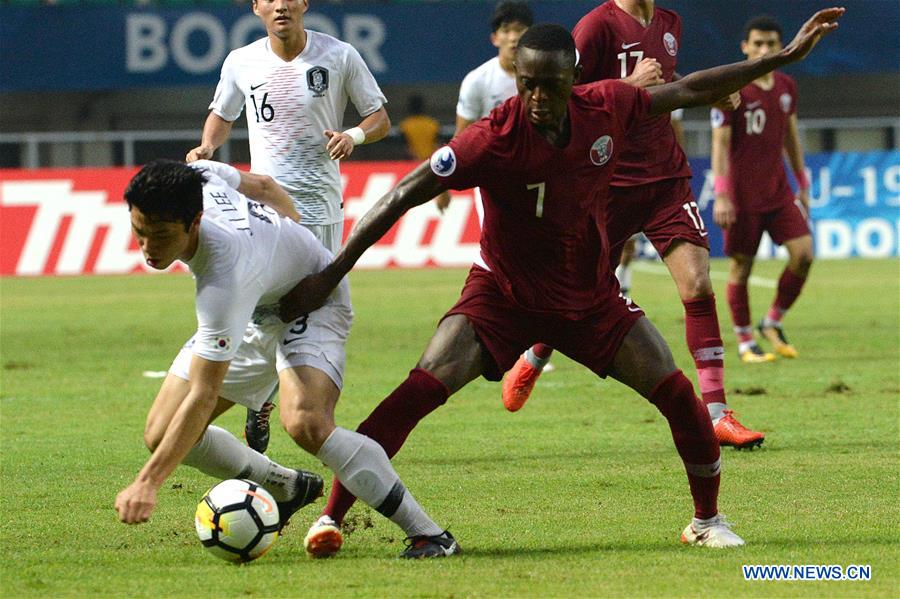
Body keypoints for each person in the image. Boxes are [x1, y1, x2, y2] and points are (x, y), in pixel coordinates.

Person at [282, 12, 844, 556]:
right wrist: (333, 271)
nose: (537, 98)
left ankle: (707, 521)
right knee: (417, 390)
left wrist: (789, 56)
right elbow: (405, 192)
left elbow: (692, 87)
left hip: (590, 300)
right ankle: (333, 516)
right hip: (501, 297)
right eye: (527, 85)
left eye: (549, 85)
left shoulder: (608, 105)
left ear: (575, 78)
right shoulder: (492, 136)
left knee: (677, 393)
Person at [114, 160, 458, 560]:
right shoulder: (202, 175)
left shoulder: (223, 278)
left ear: (194, 222)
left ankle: (430, 535)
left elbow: (204, 394)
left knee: (305, 422)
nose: (147, 246)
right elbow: (263, 185)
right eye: (139, 231)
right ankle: (287, 486)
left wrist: (148, 483)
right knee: (162, 433)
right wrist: (288, 236)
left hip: (311, 303)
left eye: (160, 235)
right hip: (256, 307)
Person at [504, 0, 766, 451]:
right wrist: (626, 85)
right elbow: (565, 101)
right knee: (576, 294)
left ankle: (717, 414)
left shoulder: (670, 23)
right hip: (608, 182)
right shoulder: (595, 27)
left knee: (698, 284)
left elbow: (667, 86)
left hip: (665, 179)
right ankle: (535, 354)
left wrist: (708, 91)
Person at [186, 0, 391, 454]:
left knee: (304, 309)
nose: (280, 4)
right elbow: (223, 114)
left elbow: (379, 117)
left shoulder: (338, 56)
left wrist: (352, 135)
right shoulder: (241, 61)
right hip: (266, 210)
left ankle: (272, 396)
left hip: (321, 212)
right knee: (262, 308)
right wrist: (206, 147)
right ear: (256, 6)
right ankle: (262, 395)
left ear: (304, 4)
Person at [712, 16, 813, 362]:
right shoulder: (731, 86)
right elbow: (720, 144)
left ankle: (771, 322)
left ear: (781, 47)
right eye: (758, 43)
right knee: (743, 267)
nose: (764, 50)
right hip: (742, 196)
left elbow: (791, 138)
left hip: (779, 192)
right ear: (745, 47)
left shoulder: (786, 86)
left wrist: (802, 183)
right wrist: (722, 194)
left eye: (771, 44)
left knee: (804, 254)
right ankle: (744, 343)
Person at [434, 0, 534, 214]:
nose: (514, 37)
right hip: (492, 176)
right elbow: (462, 136)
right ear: (495, 38)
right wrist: (443, 185)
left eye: (520, 30)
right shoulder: (477, 81)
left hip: (537, 170)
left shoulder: (542, 76)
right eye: (506, 30)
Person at [399, 95, 441, 161]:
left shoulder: (405, 125)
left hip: (412, 162)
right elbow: (438, 145)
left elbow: (405, 148)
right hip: (430, 162)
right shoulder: (433, 124)